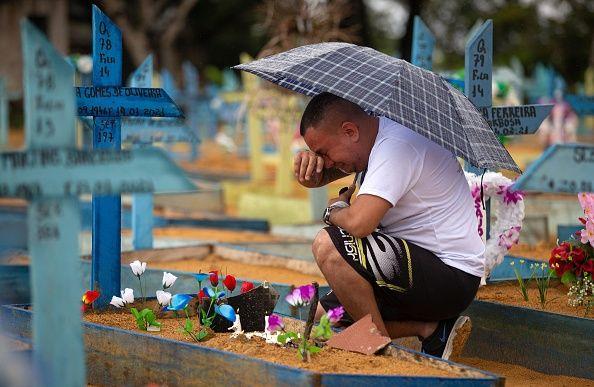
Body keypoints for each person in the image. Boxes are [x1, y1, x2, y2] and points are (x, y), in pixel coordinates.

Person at [294, 92, 484, 360]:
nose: (326, 162)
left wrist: (334, 210)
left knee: (327, 246)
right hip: (417, 269)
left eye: (323, 152)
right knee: (322, 318)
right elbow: (339, 167)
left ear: (350, 131)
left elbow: (360, 224)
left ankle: (375, 348)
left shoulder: (396, 145)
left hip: (450, 277)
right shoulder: (377, 138)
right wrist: (314, 177)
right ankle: (430, 328)